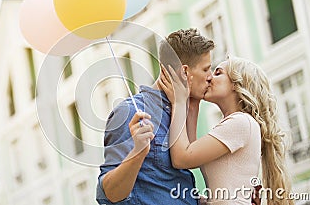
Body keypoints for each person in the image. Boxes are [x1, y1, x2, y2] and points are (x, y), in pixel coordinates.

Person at [96, 28, 215, 204]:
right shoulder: (131, 112)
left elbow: (169, 186)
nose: (210, 77)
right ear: (184, 72)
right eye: (206, 69)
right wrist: (138, 152)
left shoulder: (180, 111)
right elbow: (109, 195)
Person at [158, 57, 294, 205]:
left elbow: (181, 158)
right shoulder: (235, 123)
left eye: (218, 73)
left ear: (237, 84)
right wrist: (193, 102)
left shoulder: (241, 123)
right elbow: (189, 150)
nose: (209, 77)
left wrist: (177, 103)